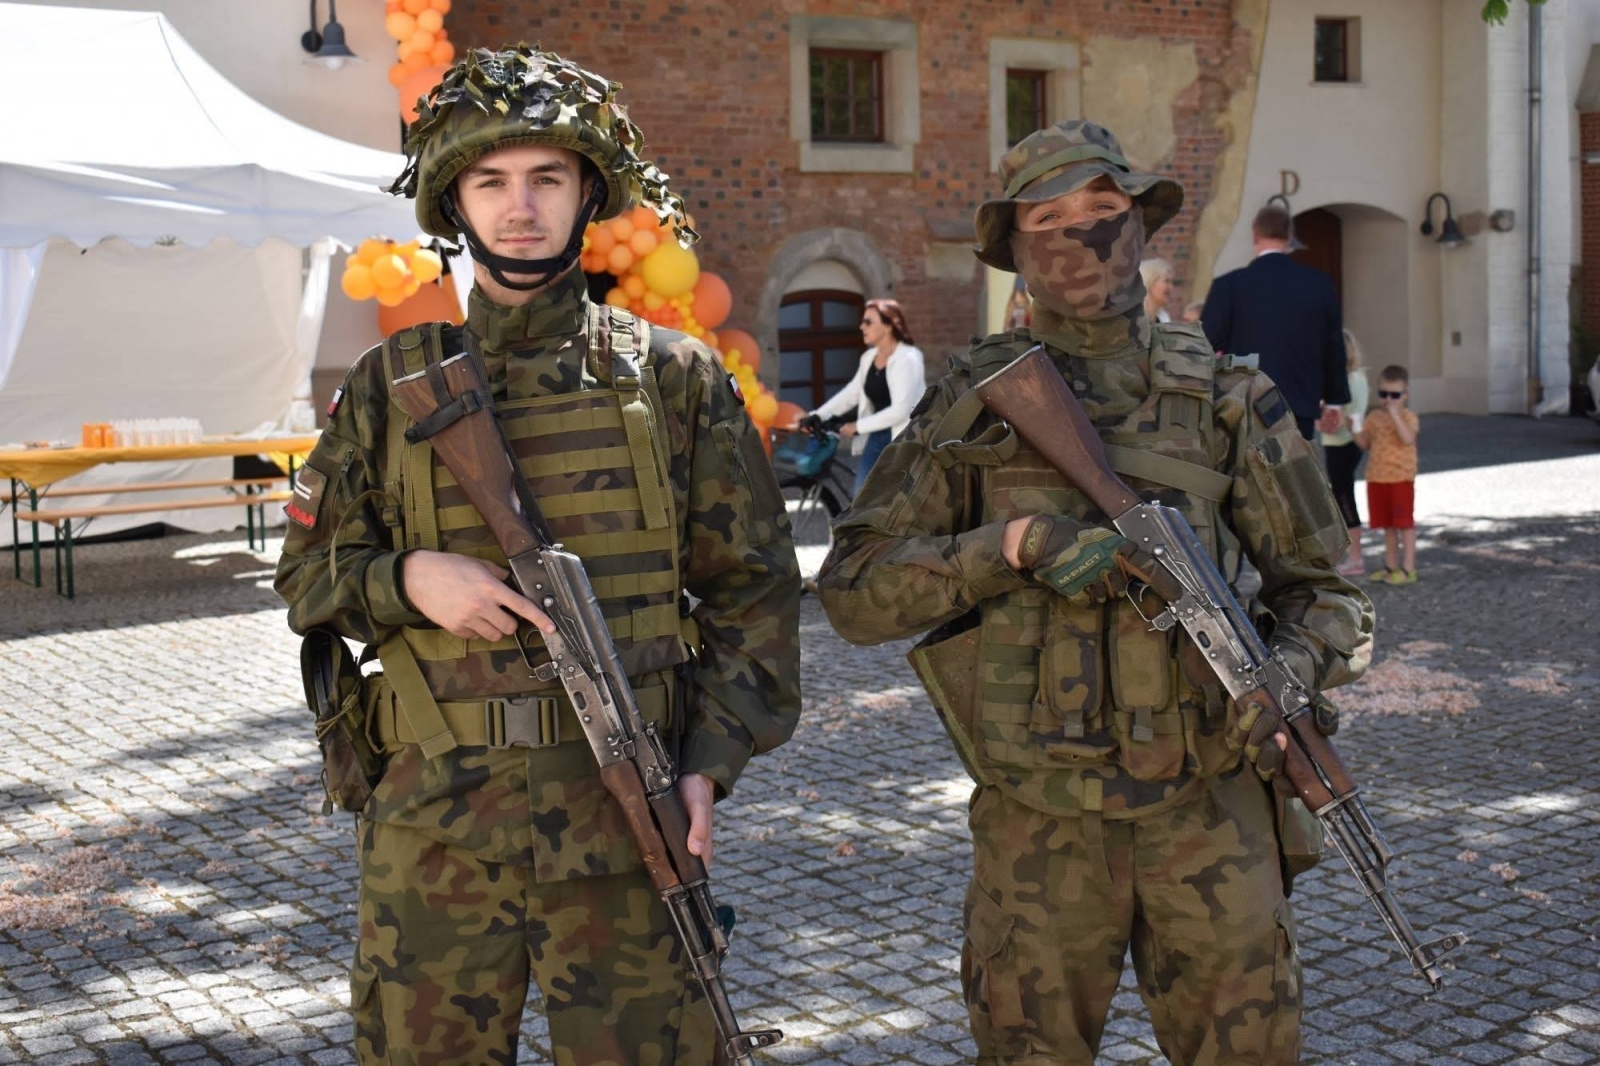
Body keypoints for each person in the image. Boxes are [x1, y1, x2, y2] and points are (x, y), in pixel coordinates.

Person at [274, 46, 802, 1065]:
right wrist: (406, 580)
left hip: (622, 819)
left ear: (585, 192)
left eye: (547, 178)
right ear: (454, 202)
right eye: (492, 181)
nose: (521, 207)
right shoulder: (389, 387)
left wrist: (711, 761)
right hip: (435, 827)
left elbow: (755, 589)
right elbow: (302, 576)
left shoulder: (677, 380)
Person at [817, 119, 1372, 1065]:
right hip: (1040, 824)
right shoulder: (969, 406)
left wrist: (1290, 669)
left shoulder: (1229, 398)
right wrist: (1010, 546)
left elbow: (1330, 593)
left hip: (1211, 809)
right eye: (1051, 218)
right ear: (1014, 250)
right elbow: (853, 594)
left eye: (1105, 213)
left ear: (1142, 228)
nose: (1081, 236)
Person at [1201, 205, 1349, 440]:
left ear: (1254, 235)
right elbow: (1333, 345)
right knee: (1295, 474)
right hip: (1299, 403)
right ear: (1290, 237)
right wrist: (1335, 400)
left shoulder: (1229, 286)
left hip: (1245, 404)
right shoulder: (1318, 284)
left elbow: (1204, 344)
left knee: (1247, 475)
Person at [809, 298, 926, 497]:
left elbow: (902, 410)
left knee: (897, 502)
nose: (862, 326)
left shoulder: (908, 358)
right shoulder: (869, 358)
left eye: (868, 322)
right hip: (877, 436)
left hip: (904, 439)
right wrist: (818, 415)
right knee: (861, 500)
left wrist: (857, 426)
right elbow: (852, 393)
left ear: (889, 325)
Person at [1354, 364, 1420, 584]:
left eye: (1395, 395)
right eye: (1384, 394)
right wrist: (1353, 428)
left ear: (1405, 394)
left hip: (1401, 478)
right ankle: (1390, 566)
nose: (1388, 400)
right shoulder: (1374, 417)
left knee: (1404, 524)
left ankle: (1408, 568)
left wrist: (1395, 414)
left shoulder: (1408, 417)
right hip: (1377, 477)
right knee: (1388, 526)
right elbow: (1365, 443)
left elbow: (1408, 438)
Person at [1319, 329, 1370, 576]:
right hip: (1341, 443)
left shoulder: (1347, 380)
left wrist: (1317, 416)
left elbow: (1338, 420)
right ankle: (1351, 554)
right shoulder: (1356, 377)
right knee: (1340, 496)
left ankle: (1356, 557)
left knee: (1344, 498)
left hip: (1341, 444)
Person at [1138, 256, 1174, 322]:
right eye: (1166, 281)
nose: (1171, 287)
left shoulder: (1164, 318)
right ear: (1150, 282)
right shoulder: (1135, 318)